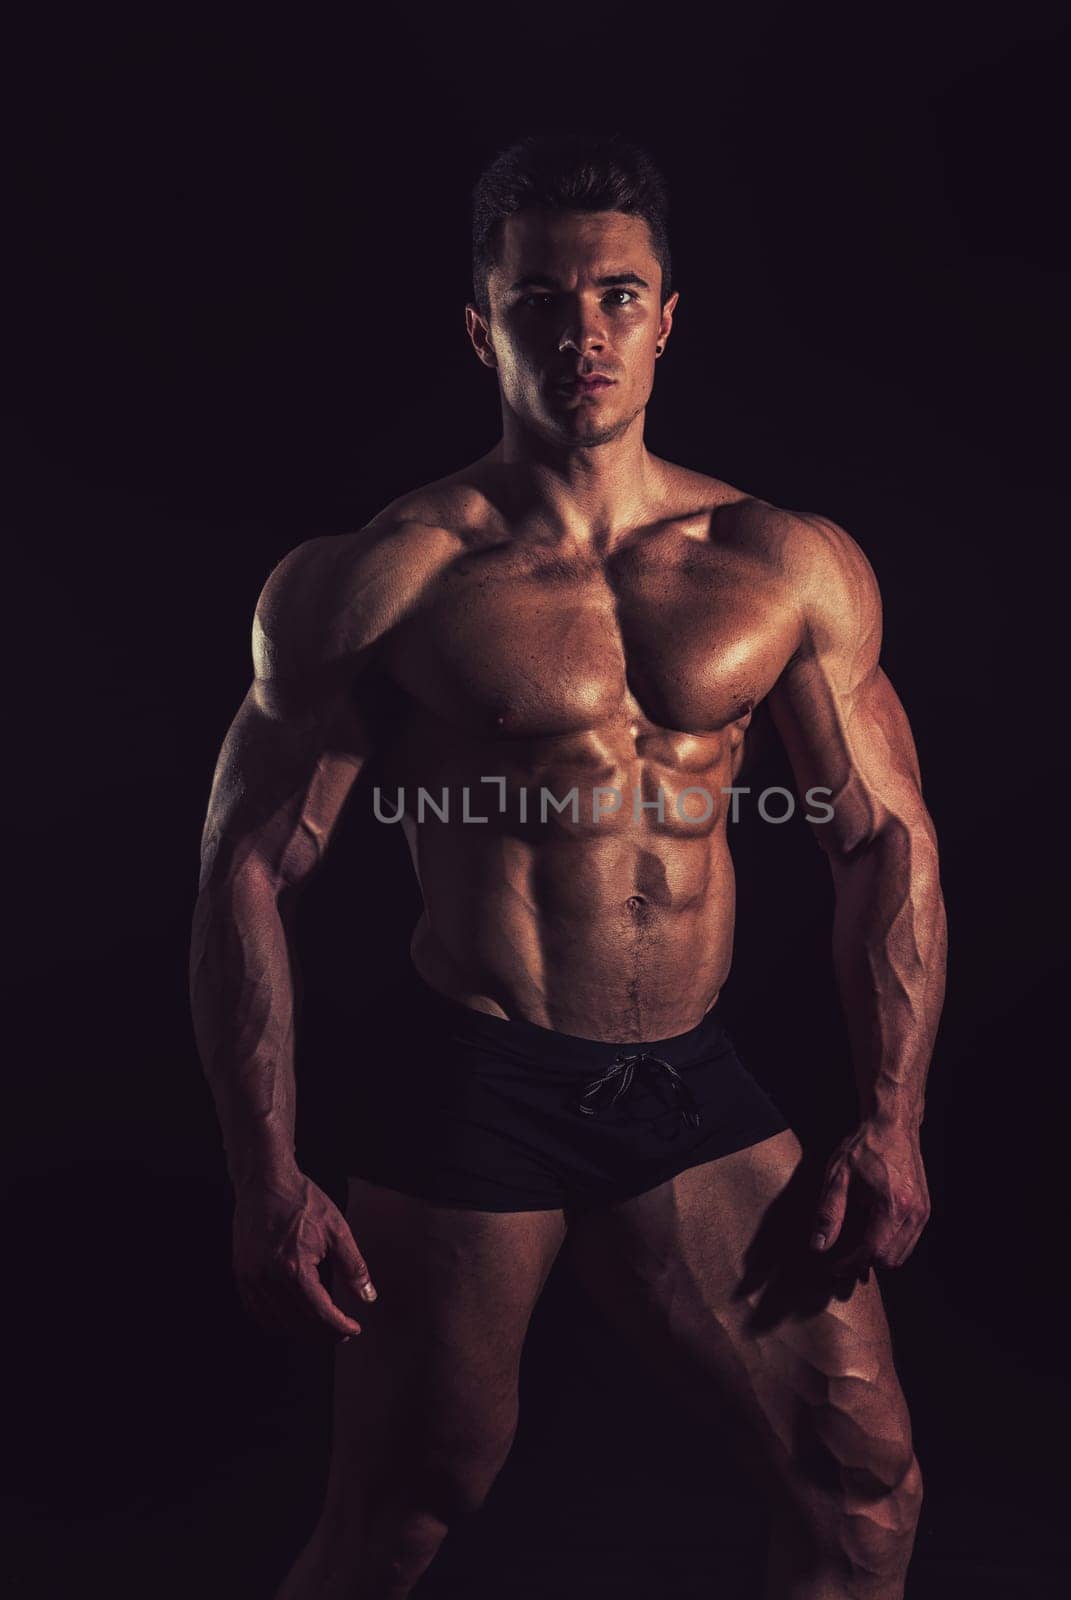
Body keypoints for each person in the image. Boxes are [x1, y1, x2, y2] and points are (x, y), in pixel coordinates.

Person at [189, 130, 947, 1600]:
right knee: (408, 1508)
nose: (581, 331)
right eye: (541, 301)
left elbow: (882, 840)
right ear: (484, 326)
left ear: (666, 318)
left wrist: (895, 1117)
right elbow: (246, 866)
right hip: (481, 1081)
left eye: (615, 295)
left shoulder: (783, 562)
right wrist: (261, 1174)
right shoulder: (384, 575)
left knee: (865, 1490)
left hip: (690, 1081)